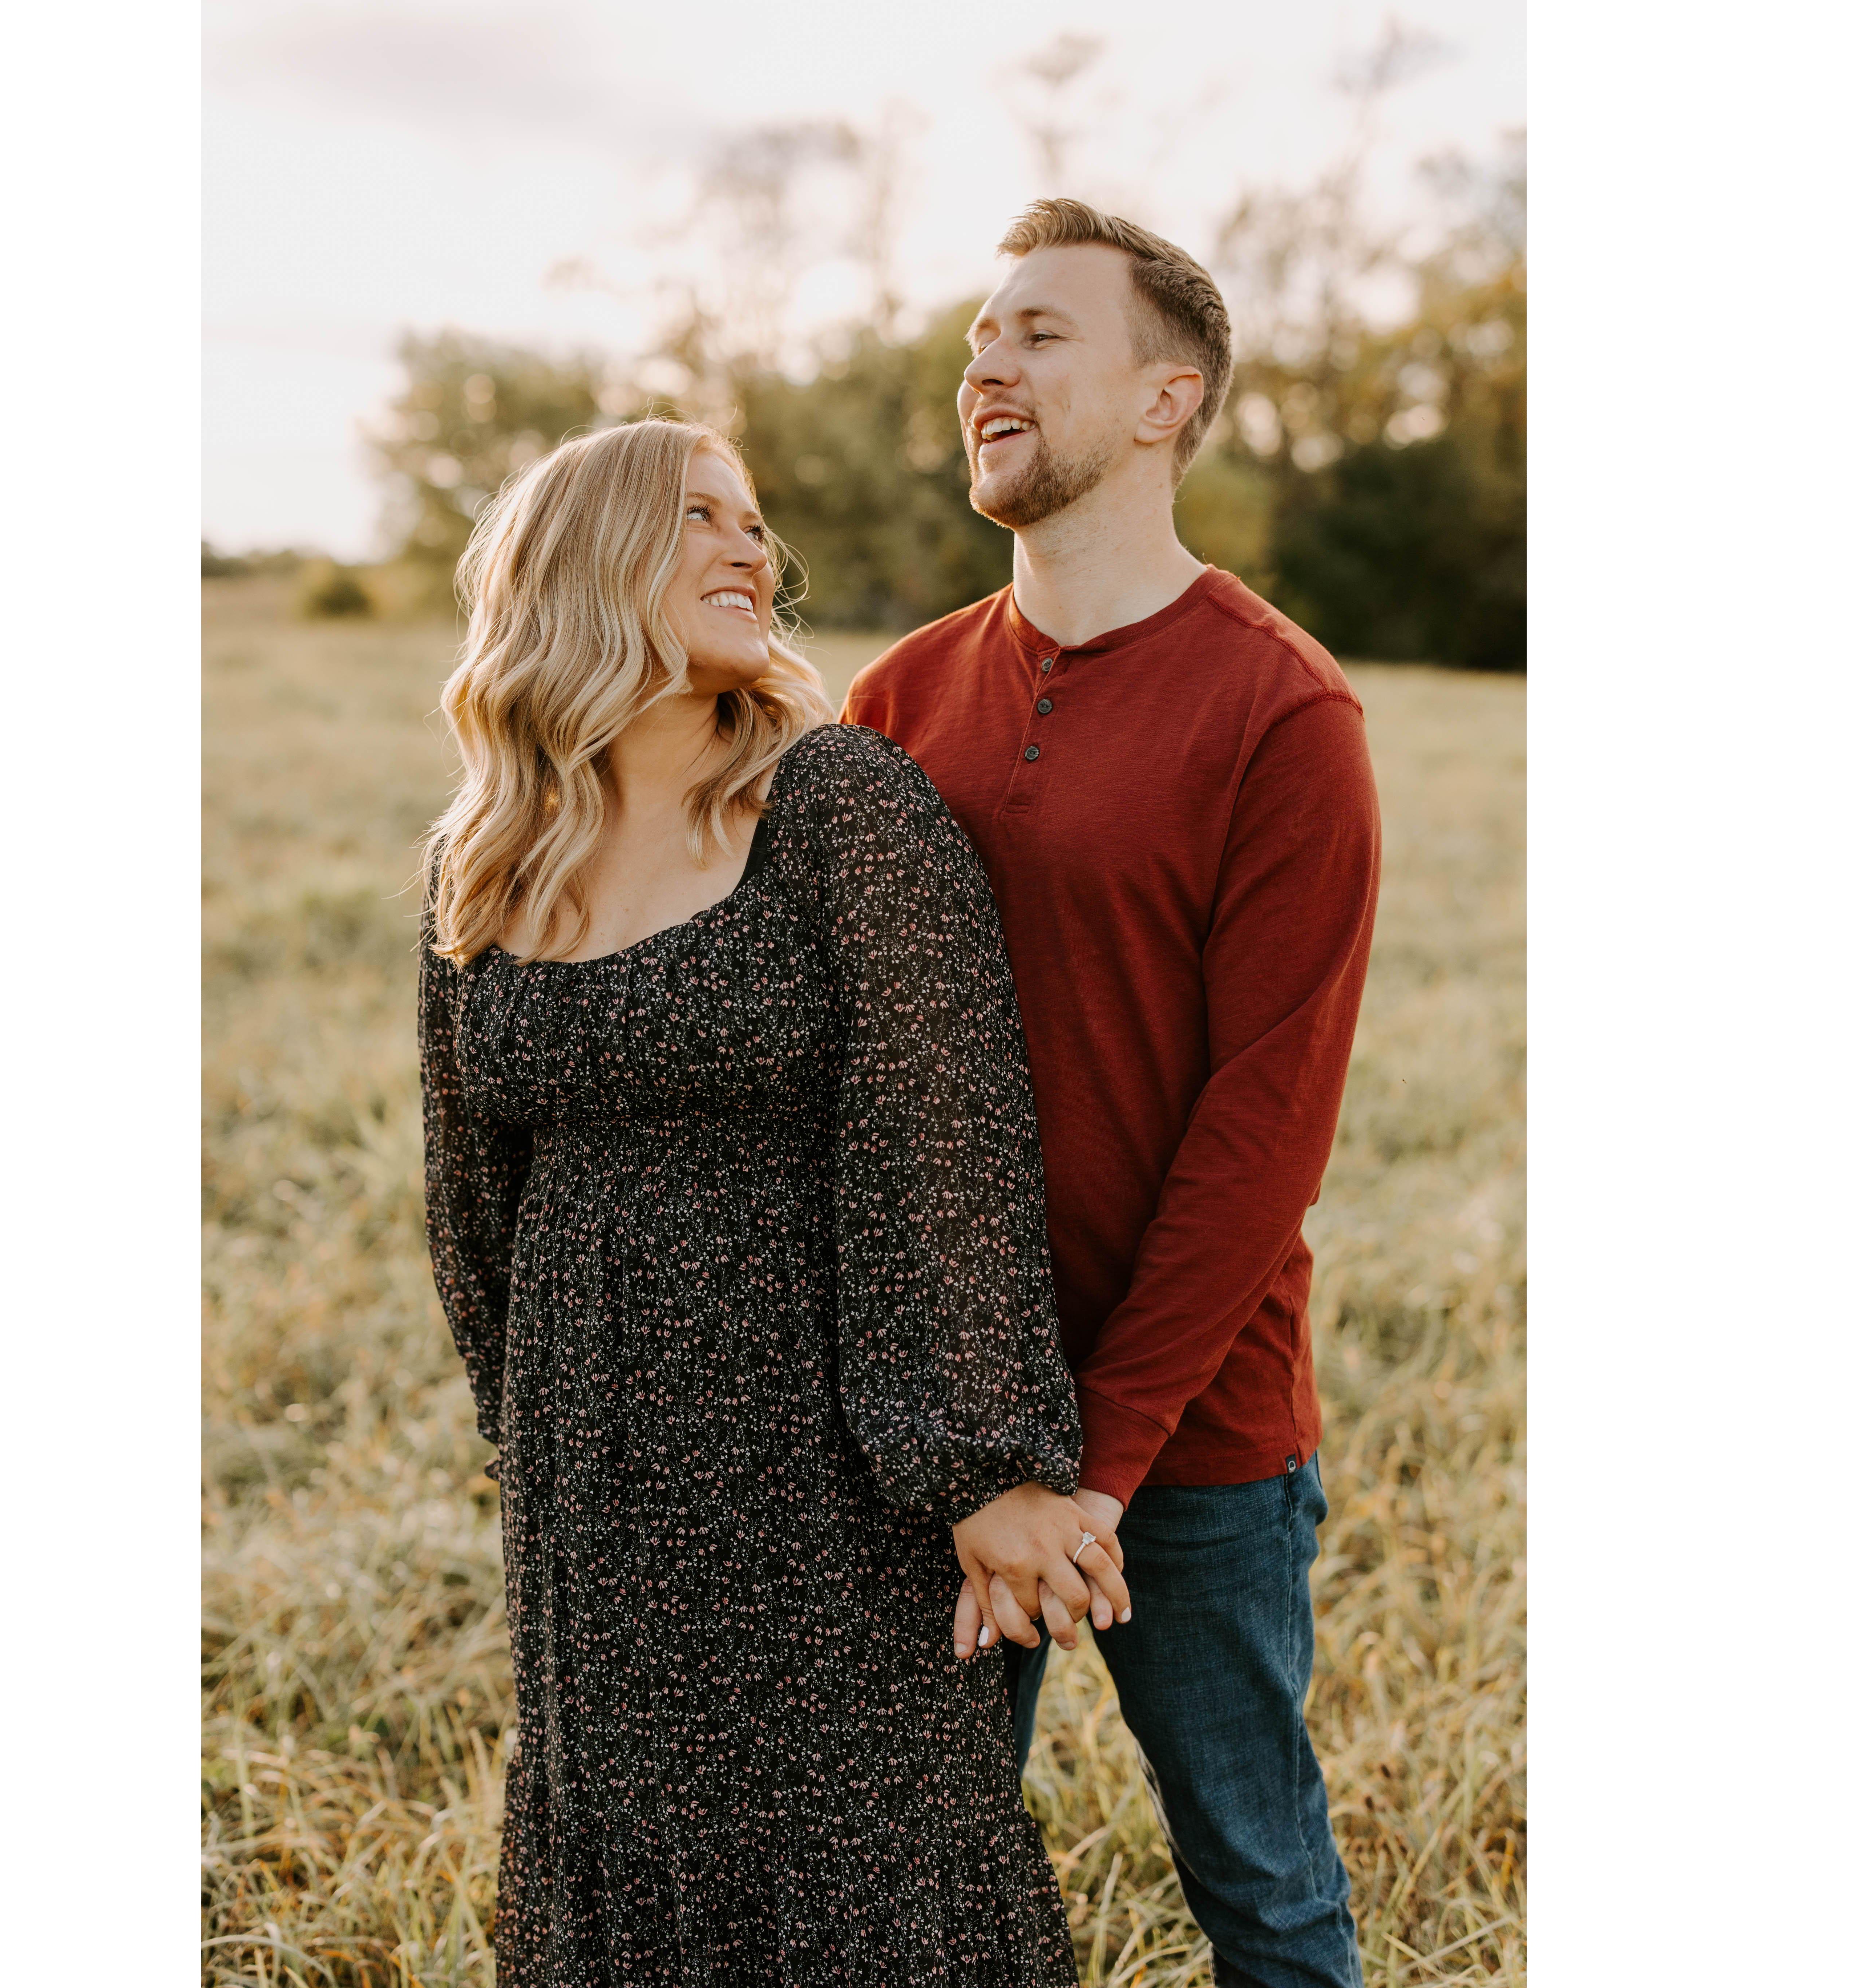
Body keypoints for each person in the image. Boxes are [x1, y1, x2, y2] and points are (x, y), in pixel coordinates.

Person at [417, 416, 1130, 1986]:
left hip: (827, 1469)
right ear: (582, 564)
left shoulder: (837, 807)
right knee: (633, 1859)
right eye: (699, 516)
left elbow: (947, 1141)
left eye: (754, 519)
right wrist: (531, 1426)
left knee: (859, 1872)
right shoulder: (486, 858)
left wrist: (980, 1464)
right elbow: (470, 1201)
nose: (751, 546)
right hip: (595, 1484)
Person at [843, 200, 1381, 1988]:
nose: (985, 364)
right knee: (904, 1902)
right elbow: (852, 1085)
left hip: (1199, 1443)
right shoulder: (897, 699)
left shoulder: (1283, 714)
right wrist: (966, 1445)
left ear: (1169, 399)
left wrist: (1101, 1464)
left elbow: (1263, 1134)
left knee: (1263, 1889)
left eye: (1040, 332)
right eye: (977, 340)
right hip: (942, 1436)